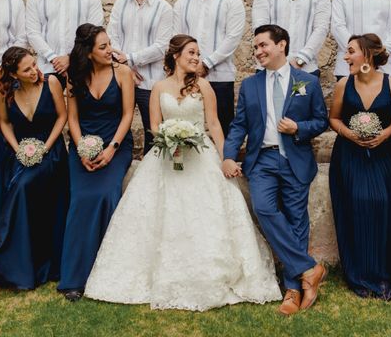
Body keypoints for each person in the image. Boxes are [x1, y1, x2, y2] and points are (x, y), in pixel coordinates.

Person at [84, 34, 281, 310]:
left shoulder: (203, 86)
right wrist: (170, 139)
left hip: (200, 157)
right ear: (175, 55)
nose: (196, 57)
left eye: (198, 53)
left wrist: (227, 158)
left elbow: (213, 125)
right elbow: (154, 125)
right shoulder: (158, 87)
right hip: (165, 157)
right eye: (190, 52)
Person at [223, 25, 329, 316]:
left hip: (295, 158)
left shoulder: (306, 81)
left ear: (282, 45)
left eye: (262, 45)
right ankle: (310, 268)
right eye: (255, 47)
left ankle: (293, 290)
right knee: (265, 209)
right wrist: (229, 156)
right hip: (263, 161)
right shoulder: (250, 85)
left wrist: (299, 128)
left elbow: (321, 121)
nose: (258, 52)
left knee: (297, 222)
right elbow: (239, 125)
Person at [0, 47, 69, 289]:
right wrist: (17, 149)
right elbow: (4, 123)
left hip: (52, 152)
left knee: (23, 184)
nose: (35, 71)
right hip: (21, 152)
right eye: (27, 69)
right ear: (14, 75)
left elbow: (62, 117)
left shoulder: (52, 83)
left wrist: (45, 148)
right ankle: (10, 256)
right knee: (17, 182)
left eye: (34, 65)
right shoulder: (4, 92)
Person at [58, 24, 134, 301]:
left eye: (109, 44)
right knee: (80, 198)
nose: (109, 50)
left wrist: (112, 149)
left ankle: (105, 270)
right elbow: (73, 119)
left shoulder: (123, 73)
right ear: (88, 53)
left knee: (105, 193)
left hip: (116, 143)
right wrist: (80, 150)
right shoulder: (74, 77)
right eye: (102, 47)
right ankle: (75, 278)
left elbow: (127, 115)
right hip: (83, 145)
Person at [328, 34, 391, 299]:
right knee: (357, 203)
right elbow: (334, 118)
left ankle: (383, 274)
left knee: (383, 203)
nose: (346, 57)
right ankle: (359, 275)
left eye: (351, 52)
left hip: (382, 154)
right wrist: (350, 135)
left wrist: (384, 135)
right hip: (349, 155)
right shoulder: (343, 85)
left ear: (368, 55)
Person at [173, 0, 245, 136]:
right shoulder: (183, 2)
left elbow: (232, 38)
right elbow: (178, 39)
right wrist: (188, 67)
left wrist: (206, 64)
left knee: (222, 128)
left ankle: (224, 164)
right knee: (186, 129)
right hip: (188, 78)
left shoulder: (232, 1)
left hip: (220, 79)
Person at [108, 0, 173, 154]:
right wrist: (126, 68)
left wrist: (130, 59)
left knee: (152, 133)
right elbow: (112, 37)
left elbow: (162, 46)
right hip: (120, 79)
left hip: (150, 83)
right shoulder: (120, 4)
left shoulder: (165, 9)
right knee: (115, 127)